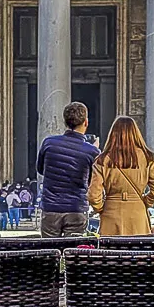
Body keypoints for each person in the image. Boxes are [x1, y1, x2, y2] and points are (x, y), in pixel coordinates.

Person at [87, 115, 154, 236]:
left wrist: (101, 209)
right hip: (138, 213)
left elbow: (93, 195)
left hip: (111, 213)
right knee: (137, 252)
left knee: (111, 253)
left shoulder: (102, 160)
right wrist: (144, 201)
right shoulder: (147, 158)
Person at [35, 101, 100, 237]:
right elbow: (91, 182)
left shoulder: (49, 143)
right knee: (73, 253)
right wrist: (95, 151)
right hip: (76, 208)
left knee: (50, 252)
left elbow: (41, 170)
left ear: (65, 122)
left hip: (50, 207)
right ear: (86, 122)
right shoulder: (91, 151)